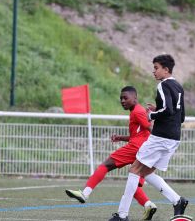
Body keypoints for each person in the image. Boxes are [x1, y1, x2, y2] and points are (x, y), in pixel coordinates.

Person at [109, 54, 188, 221]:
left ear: (166, 70)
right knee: (146, 172)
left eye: (156, 68)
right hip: (174, 137)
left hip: (160, 137)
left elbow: (168, 111)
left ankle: (122, 215)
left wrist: (151, 115)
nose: (154, 72)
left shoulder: (163, 85)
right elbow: (180, 116)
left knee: (134, 170)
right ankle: (177, 201)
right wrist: (158, 108)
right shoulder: (178, 86)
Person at [65, 86, 157, 220]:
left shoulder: (137, 111)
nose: (122, 101)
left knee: (106, 165)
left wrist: (160, 137)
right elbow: (138, 134)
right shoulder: (137, 111)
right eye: (121, 98)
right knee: (133, 185)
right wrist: (120, 137)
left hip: (135, 148)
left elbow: (151, 129)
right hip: (142, 150)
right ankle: (148, 205)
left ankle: (85, 193)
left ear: (135, 98)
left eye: (125, 98)